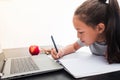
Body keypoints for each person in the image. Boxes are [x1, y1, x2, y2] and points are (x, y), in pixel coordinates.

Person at [50, 0, 120, 64]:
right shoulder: (90, 39)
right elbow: (74, 47)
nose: (78, 36)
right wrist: (61, 51)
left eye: (80, 32)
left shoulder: (116, 38)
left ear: (99, 28)